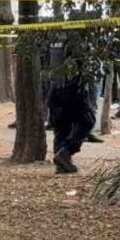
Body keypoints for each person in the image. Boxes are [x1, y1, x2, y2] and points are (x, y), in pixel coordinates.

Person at [45, 32, 96, 174]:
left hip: (54, 89)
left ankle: (61, 164)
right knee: (87, 121)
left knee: (61, 127)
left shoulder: (54, 39)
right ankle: (65, 152)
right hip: (72, 89)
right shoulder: (76, 42)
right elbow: (81, 65)